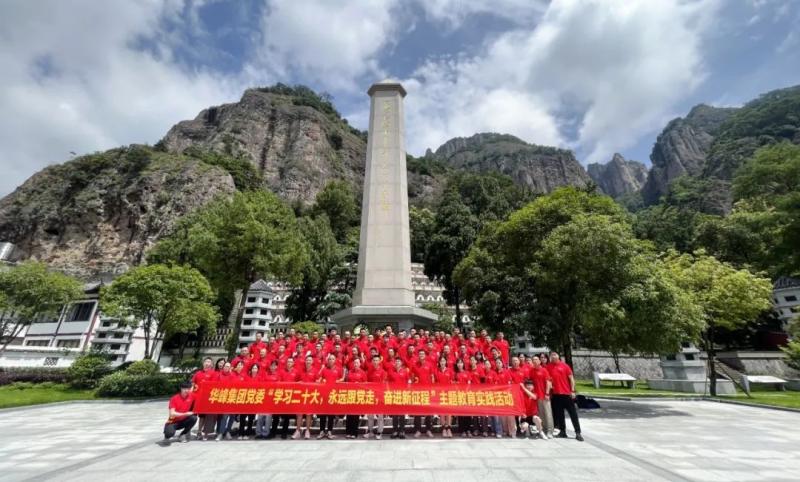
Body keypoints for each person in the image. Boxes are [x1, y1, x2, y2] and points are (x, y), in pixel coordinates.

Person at [548, 352, 583, 441]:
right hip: (556, 394)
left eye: (555, 355)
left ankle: (578, 432)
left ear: (558, 356)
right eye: (551, 355)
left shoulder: (565, 366)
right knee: (560, 415)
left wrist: (572, 390)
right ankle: (563, 432)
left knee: (573, 414)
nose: (553, 356)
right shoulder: (549, 366)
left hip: (566, 394)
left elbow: (571, 379)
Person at [317, 354, 344, 439]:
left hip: (333, 394)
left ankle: (329, 431)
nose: (331, 360)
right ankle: (321, 431)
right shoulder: (324, 369)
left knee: (331, 414)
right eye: (330, 359)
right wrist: (322, 379)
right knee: (322, 414)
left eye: (332, 359)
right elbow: (319, 379)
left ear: (335, 360)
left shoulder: (338, 369)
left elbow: (342, 379)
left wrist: (339, 381)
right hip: (324, 394)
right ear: (327, 361)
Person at [192, 357, 218, 440]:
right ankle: (197, 432)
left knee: (206, 416)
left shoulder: (214, 373)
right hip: (196, 398)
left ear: (212, 365)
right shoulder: (198, 373)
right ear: (203, 363)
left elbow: (213, 385)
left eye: (209, 362)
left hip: (206, 398)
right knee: (197, 416)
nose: (207, 363)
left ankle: (205, 433)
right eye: (206, 361)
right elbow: (193, 383)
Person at [292, 355, 317, 440]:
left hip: (310, 395)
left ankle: (307, 430)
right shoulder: (300, 371)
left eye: (310, 360)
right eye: (307, 360)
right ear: (305, 361)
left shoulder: (315, 371)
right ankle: (298, 430)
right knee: (299, 413)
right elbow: (296, 381)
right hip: (301, 395)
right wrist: (299, 382)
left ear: (312, 362)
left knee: (308, 414)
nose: (308, 362)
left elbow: (317, 383)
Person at [529, 355, 554, 438]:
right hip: (537, 397)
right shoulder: (531, 371)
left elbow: (548, 382)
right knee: (541, 414)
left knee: (548, 414)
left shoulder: (544, 370)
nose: (535, 361)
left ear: (539, 361)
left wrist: (547, 393)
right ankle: (543, 430)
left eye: (536, 359)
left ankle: (550, 431)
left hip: (544, 396)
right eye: (533, 360)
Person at [411, 349, 434, 438]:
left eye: (423, 354)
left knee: (428, 411)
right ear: (418, 355)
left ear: (425, 355)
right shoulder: (415, 365)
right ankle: (418, 430)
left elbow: (432, 377)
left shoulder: (429, 365)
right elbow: (412, 377)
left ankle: (428, 430)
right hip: (418, 391)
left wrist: (432, 388)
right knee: (417, 411)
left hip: (427, 390)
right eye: (420, 354)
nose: (421, 355)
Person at [388, 357, 410, 439]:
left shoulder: (405, 372)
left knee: (401, 414)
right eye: (396, 361)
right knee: (394, 414)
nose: (397, 362)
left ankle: (402, 431)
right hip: (394, 395)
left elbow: (408, 382)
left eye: (399, 361)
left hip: (402, 395)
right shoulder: (391, 372)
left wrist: (407, 392)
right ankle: (395, 430)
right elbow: (388, 383)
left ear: (401, 363)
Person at [344, 358, 366, 438]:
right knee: (349, 414)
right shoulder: (350, 372)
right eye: (355, 363)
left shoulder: (362, 373)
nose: (356, 364)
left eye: (357, 362)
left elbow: (365, 384)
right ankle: (348, 432)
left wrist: (359, 384)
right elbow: (346, 382)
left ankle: (354, 432)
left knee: (356, 415)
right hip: (350, 394)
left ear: (360, 364)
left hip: (358, 395)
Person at [365, 354, 386, 440]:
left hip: (379, 395)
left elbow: (384, 384)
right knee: (370, 415)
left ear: (379, 361)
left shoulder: (382, 372)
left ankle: (379, 432)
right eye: (374, 360)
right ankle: (370, 431)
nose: (375, 362)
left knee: (380, 415)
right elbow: (367, 383)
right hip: (371, 395)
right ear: (372, 361)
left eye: (377, 360)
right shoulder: (369, 371)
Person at [433, 356, 454, 438]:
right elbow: (435, 382)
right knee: (442, 412)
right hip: (440, 393)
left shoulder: (450, 370)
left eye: (444, 361)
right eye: (441, 361)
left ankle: (449, 428)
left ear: (446, 362)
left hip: (448, 393)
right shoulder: (437, 371)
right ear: (439, 362)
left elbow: (452, 381)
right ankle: (444, 429)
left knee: (449, 412)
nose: (442, 362)